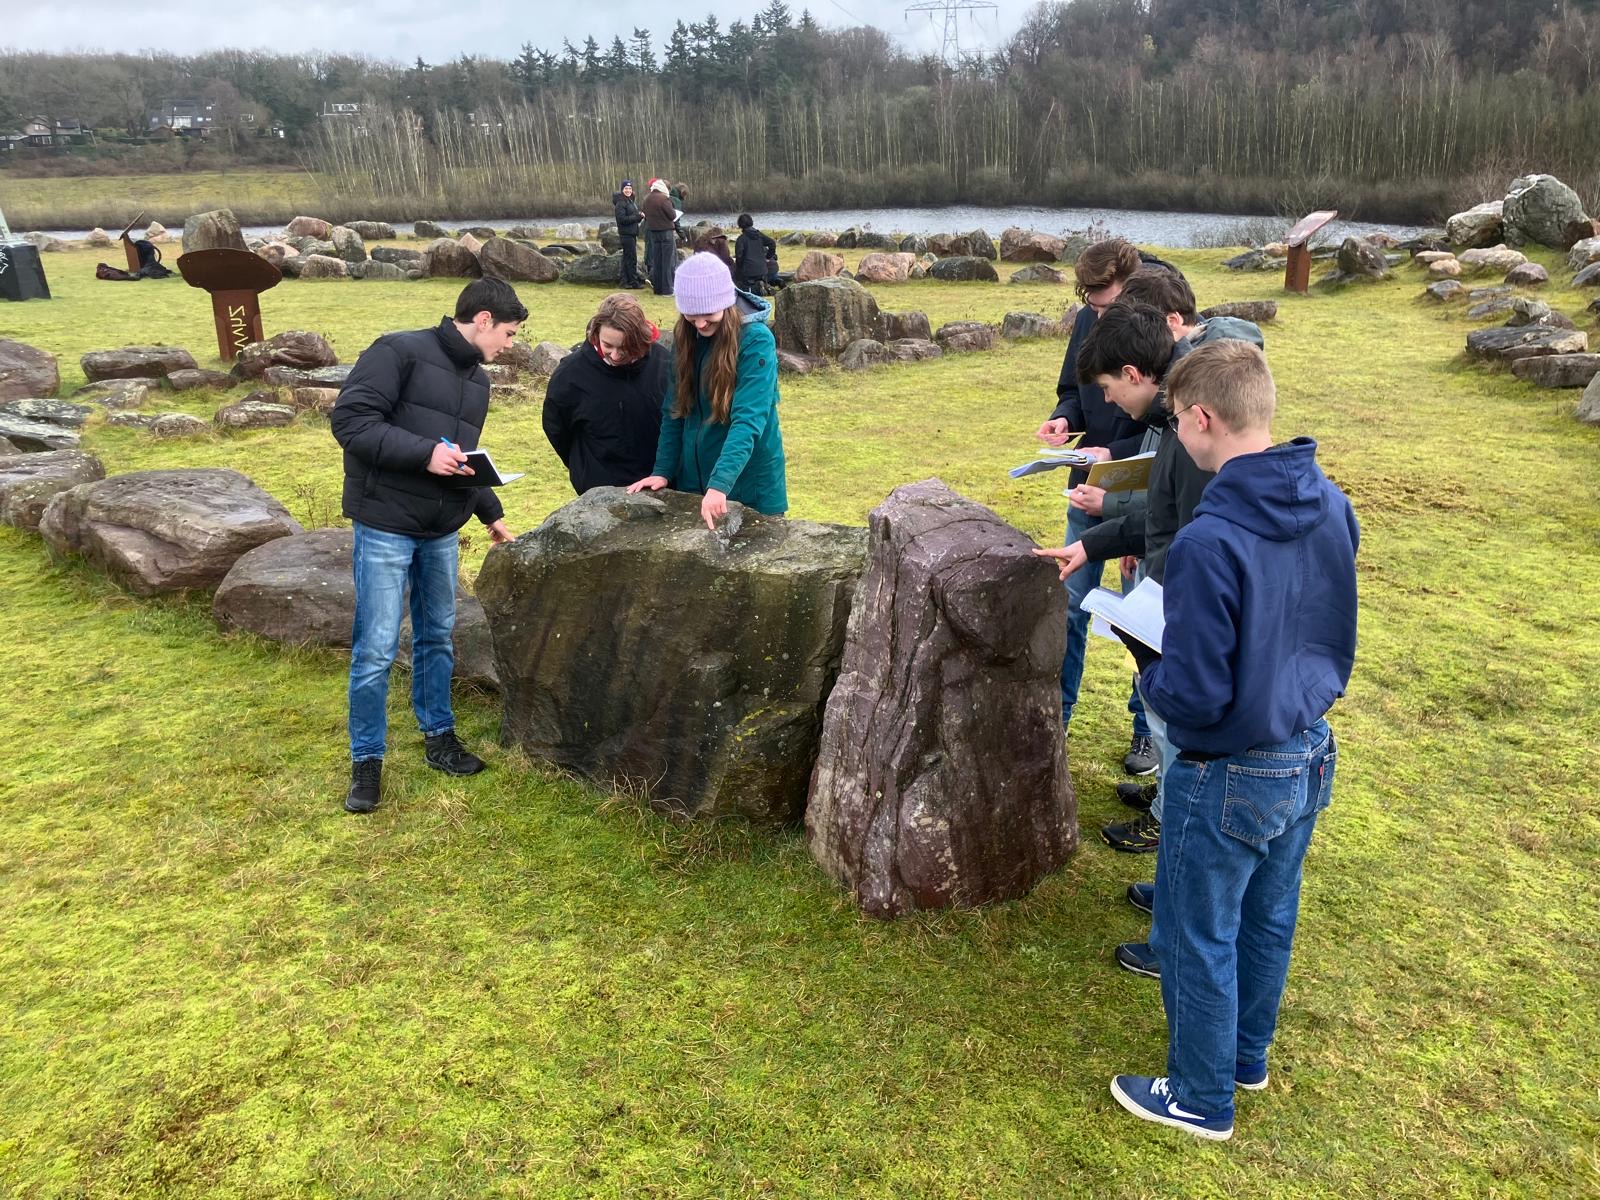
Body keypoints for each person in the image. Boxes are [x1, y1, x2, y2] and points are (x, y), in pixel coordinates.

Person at [1102, 339, 1358, 1142]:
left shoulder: (1210, 542)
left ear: (1204, 418)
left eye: (1178, 423)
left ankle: (1201, 1095)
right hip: (1307, 747)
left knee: (1196, 928)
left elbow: (1198, 692)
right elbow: (1322, 623)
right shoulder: (1331, 502)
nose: (1176, 434)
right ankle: (1247, 1055)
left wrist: (1149, 674)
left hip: (1226, 770)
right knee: (1269, 915)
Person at [329, 277, 527, 815]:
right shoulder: (397, 351)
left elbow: (460, 455)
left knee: (437, 636)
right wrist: (423, 455)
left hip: (442, 529)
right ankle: (367, 761)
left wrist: (491, 512)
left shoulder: (478, 382)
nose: (508, 345)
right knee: (375, 648)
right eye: (507, 334)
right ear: (482, 319)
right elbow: (349, 421)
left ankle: (439, 736)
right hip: (386, 524)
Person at [1037, 238, 1178, 772]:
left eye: (1105, 303)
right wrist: (1065, 419)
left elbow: (1162, 422)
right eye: (1089, 305)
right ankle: (1058, 717)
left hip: (1138, 483)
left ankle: (1148, 732)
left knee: (1144, 613)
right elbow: (1075, 386)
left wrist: (1111, 452)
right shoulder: (1088, 318)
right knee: (1072, 603)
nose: (1096, 314)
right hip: (1087, 478)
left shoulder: (1159, 322)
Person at [626, 253, 787, 527]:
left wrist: (719, 485)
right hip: (695, 487)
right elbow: (675, 410)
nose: (700, 324)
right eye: (692, 316)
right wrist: (663, 471)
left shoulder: (756, 341)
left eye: (709, 315)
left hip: (751, 490)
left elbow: (749, 420)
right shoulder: (686, 338)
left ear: (726, 303)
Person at [542, 292, 667, 494]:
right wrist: (583, 467)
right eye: (607, 345)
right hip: (600, 488)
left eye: (626, 348)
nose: (616, 355)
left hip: (659, 483)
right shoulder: (570, 374)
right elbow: (557, 429)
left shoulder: (664, 363)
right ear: (595, 334)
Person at [642, 178, 677, 297]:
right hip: (666, 232)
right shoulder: (664, 199)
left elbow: (646, 214)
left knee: (657, 261)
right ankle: (667, 290)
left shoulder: (647, 199)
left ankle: (658, 288)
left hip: (654, 232)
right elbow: (672, 215)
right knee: (667, 262)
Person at [734, 213, 778, 296]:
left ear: (740, 225)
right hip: (763, 270)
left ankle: (757, 288)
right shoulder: (759, 236)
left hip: (748, 272)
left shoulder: (741, 239)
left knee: (737, 281)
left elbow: (739, 259)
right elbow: (772, 243)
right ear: (751, 222)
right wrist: (768, 257)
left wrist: (738, 271)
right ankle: (765, 286)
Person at [612, 180, 644, 289]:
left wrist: (639, 216)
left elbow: (633, 218)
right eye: (626, 189)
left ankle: (625, 281)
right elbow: (622, 220)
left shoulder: (630, 201)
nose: (628, 190)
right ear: (622, 190)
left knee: (626, 258)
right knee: (631, 259)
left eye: (630, 189)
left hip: (632, 233)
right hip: (626, 234)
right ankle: (633, 281)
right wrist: (637, 217)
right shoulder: (620, 203)